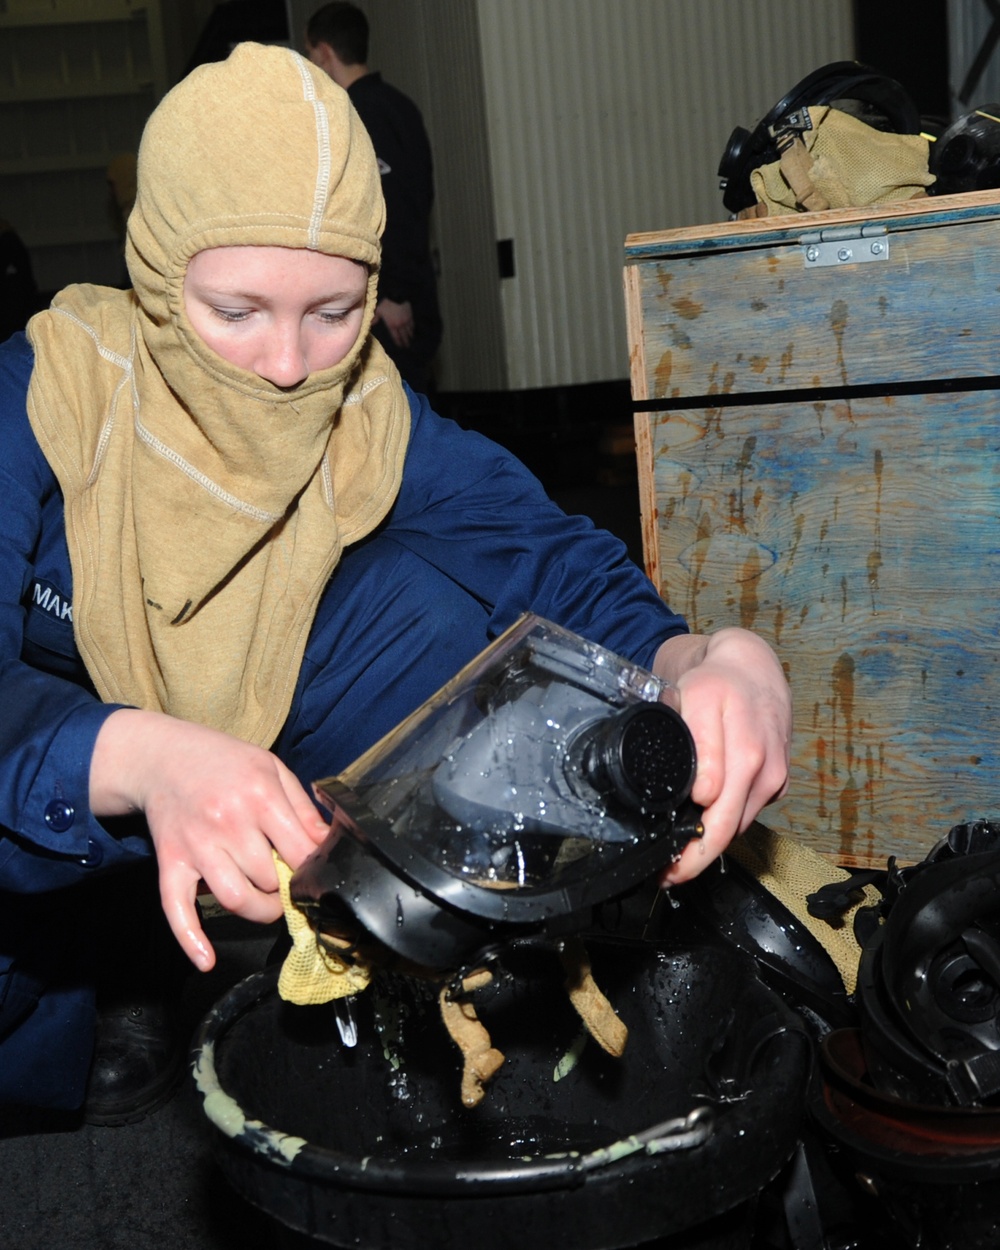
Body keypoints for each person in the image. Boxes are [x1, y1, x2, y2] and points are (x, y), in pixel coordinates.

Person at [0, 43, 790, 1125]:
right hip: (48, 812)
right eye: (236, 311)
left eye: (332, 311)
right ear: (154, 272)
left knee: (438, 612)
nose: (288, 364)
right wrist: (132, 751)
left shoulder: (368, 413)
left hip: (242, 753)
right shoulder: (41, 401)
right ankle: (110, 958)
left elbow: (549, 556)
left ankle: (347, 947)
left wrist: (707, 656)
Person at [305, 2, 443, 393]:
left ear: (325, 53)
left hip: (392, 308)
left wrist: (392, 295)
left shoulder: (357, 114)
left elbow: (391, 206)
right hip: (413, 292)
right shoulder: (402, 106)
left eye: (310, 54)